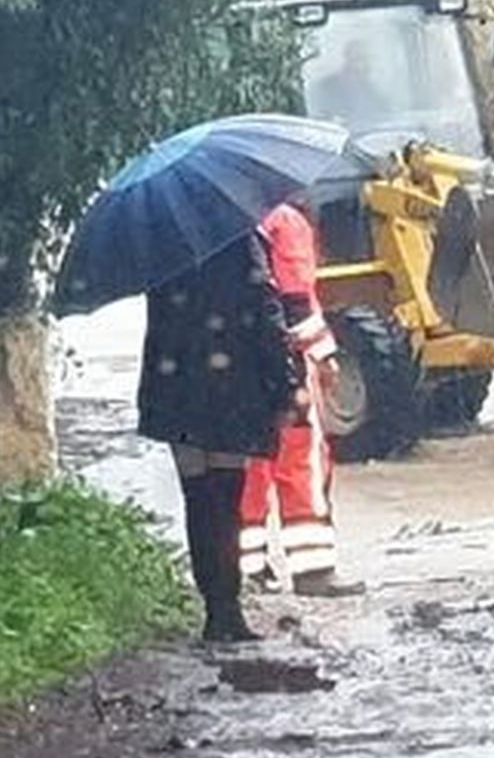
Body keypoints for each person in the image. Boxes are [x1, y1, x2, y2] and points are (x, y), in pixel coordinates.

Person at [137, 232, 299, 642]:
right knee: (227, 500)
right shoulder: (240, 242)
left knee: (199, 498)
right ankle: (228, 609)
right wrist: (283, 388)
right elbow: (267, 318)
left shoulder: (163, 248)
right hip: (231, 392)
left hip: (176, 392)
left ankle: (214, 607)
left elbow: (158, 330)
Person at [236, 199, 366, 598]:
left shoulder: (228, 224)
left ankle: (248, 571)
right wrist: (325, 355)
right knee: (301, 463)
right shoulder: (285, 221)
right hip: (286, 365)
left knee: (250, 467)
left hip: (240, 366)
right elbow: (296, 301)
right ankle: (314, 571)